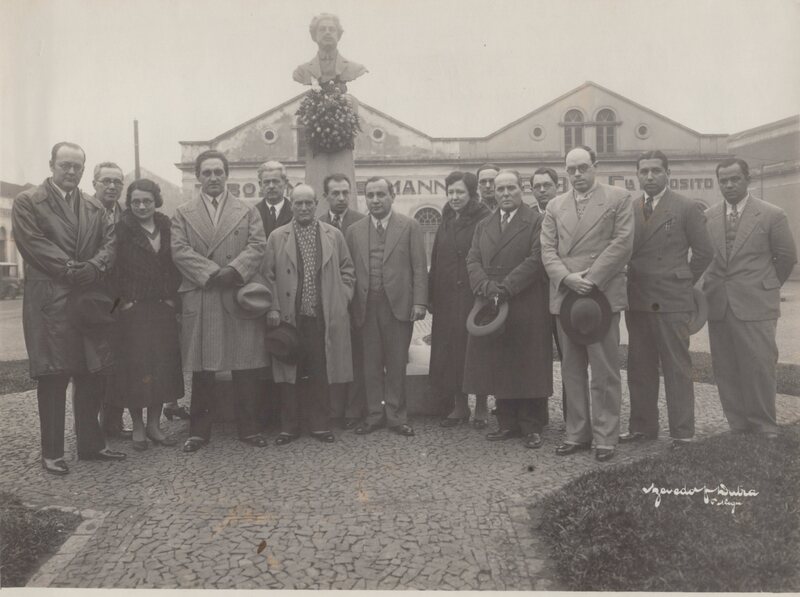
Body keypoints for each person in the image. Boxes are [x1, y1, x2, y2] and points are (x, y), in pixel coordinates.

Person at [12, 142, 125, 475]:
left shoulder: (93, 206)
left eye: (77, 166)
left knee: (91, 372)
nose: (71, 171)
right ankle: (52, 452)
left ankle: (92, 445)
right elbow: (32, 243)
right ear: (52, 165)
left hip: (86, 299)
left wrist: (94, 267)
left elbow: (109, 244)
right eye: (65, 165)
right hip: (50, 300)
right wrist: (71, 268)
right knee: (53, 375)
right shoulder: (28, 201)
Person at [171, 150, 269, 452]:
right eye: (207, 173)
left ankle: (249, 428)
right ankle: (199, 432)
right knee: (204, 367)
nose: (213, 178)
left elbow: (257, 245)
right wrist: (213, 272)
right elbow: (179, 250)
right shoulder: (183, 213)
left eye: (218, 172)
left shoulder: (247, 210)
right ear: (198, 177)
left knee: (244, 364)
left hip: (237, 293)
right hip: (204, 293)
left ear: (226, 175)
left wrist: (235, 270)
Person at [541, 146, 634, 461]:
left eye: (583, 167)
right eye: (571, 169)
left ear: (596, 166)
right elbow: (547, 249)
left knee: (604, 368)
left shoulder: (618, 198)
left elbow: (622, 243)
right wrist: (567, 278)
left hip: (601, 296)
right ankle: (577, 433)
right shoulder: (555, 205)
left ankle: (606, 436)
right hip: (566, 295)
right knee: (571, 368)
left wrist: (590, 280)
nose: (577, 174)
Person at [622, 151, 713, 448]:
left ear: (667, 173)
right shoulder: (631, 208)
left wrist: (681, 279)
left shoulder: (686, 207)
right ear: (637, 175)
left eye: (656, 171)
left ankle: (682, 432)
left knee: (676, 367)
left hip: (672, 300)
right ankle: (642, 427)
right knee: (639, 365)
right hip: (638, 298)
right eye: (644, 171)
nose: (649, 176)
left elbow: (704, 252)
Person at [703, 158, 797, 439]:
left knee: (759, 364)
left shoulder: (772, 214)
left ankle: (764, 424)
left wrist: (765, 286)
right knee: (725, 365)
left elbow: (786, 257)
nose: (729, 185)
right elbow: (705, 257)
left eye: (735, 179)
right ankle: (738, 424)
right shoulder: (708, 216)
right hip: (719, 303)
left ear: (748, 179)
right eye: (724, 180)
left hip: (756, 303)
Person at [462, 170, 552, 449]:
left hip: (526, 300)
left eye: (510, 188)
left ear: (521, 189)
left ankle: (532, 425)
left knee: (529, 362)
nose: (504, 193)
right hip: (493, 301)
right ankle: (507, 422)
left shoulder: (536, 221)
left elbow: (537, 259)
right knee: (501, 361)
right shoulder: (485, 224)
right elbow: (472, 259)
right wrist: (486, 287)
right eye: (500, 189)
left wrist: (506, 288)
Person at [264, 184, 356, 445]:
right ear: (291, 205)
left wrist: (341, 298)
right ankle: (289, 427)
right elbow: (267, 275)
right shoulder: (277, 236)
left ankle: (319, 424)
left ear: (317, 204)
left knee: (319, 370)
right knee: (289, 372)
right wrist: (273, 307)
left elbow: (348, 270)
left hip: (321, 316)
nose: (303, 208)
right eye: (298, 203)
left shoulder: (333, 235)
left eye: (308, 203)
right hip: (289, 317)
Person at [345, 176, 428, 436]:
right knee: (370, 364)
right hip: (366, 305)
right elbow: (349, 270)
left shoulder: (410, 226)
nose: (375, 200)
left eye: (381, 194)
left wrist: (419, 302)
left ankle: (396, 416)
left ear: (392, 196)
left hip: (398, 305)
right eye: (370, 195)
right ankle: (374, 414)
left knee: (396, 363)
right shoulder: (354, 231)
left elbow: (419, 267)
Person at [110, 178, 184, 450]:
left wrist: (173, 300)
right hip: (134, 312)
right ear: (129, 203)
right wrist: (122, 304)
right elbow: (111, 271)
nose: (141, 206)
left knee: (161, 367)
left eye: (147, 201)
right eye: (136, 201)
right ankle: (138, 426)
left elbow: (178, 264)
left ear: (156, 202)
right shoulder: (121, 229)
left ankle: (154, 425)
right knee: (136, 369)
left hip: (162, 309)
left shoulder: (167, 226)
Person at [428, 171, 492, 428]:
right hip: (446, 297)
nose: (454, 197)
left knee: (476, 350)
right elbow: (436, 257)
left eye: (460, 192)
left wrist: (484, 292)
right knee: (451, 351)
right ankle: (460, 405)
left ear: (471, 194)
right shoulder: (446, 217)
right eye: (450, 192)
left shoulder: (484, 218)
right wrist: (431, 294)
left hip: (472, 296)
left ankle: (481, 406)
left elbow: (486, 257)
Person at [319, 173, 367, 429]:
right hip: (328, 305)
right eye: (335, 193)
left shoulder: (362, 222)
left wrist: (348, 296)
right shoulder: (317, 224)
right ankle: (333, 410)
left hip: (357, 301)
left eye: (345, 193)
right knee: (332, 357)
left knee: (356, 358)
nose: (341, 198)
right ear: (325, 196)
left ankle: (353, 411)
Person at [91, 161, 135, 438]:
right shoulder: (83, 212)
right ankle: (89, 426)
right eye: (105, 181)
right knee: (91, 363)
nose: (111, 186)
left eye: (117, 182)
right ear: (94, 184)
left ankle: (113, 422)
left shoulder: (128, 217)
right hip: (90, 297)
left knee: (120, 360)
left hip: (120, 300)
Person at [254, 160, 293, 431]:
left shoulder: (297, 210)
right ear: (260, 185)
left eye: (275, 182)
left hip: (292, 294)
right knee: (262, 357)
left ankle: (290, 417)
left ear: (285, 184)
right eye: (266, 182)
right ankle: (266, 417)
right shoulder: (251, 214)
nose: (270, 186)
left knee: (288, 352)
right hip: (260, 294)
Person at [531, 167, 563, 424]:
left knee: (570, 358)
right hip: (535, 298)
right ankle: (537, 416)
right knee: (536, 359)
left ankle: (574, 418)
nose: (542, 190)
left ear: (557, 186)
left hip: (563, 294)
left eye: (547, 185)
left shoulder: (567, 213)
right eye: (537, 186)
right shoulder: (528, 216)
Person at [292, 13, 367, 91]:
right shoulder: (301, 72)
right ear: (314, 36)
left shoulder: (356, 69)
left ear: (338, 35)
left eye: (332, 29)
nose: (327, 32)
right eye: (322, 29)